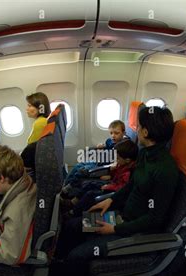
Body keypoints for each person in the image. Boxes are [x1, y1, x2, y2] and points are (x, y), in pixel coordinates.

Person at [57, 106, 178, 267]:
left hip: (132, 230)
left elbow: (154, 219)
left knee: (75, 256)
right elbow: (131, 185)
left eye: (139, 126)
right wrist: (111, 201)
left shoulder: (165, 170)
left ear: (146, 132)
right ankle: (56, 259)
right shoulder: (145, 154)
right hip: (121, 214)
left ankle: (64, 273)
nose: (137, 129)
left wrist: (114, 229)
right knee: (71, 226)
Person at [62, 139, 138, 217]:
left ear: (127, 160)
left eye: (118, 158)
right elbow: (115, 174)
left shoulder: (127, 173)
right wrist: (111, 173)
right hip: (111, 183)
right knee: (89, 184)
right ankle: (73, 202)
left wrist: (108, 186)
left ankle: (73, 212)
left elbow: (121, 188)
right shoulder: (121, 164)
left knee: (90, 194)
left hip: (113, 190)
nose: (116, 160)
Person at [64, 120, 129, 187]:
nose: (113, 136)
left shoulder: (124, 146)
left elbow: (120, 164)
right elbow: (108, 146)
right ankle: (66, 184)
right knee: (77, 166)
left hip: (105, 167)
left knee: (81, 171)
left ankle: (70, 189)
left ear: (123, 133)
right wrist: (102, 146)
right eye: (111, 133)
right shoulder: (110, 141)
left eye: (116, 133)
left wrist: (110, 175)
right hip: (99, 161)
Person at [20, 92, 51, 171]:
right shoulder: (43, 120)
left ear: (40, 108)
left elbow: (31, 148)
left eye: (30, 106)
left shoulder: (39, 123)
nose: (27, 109)